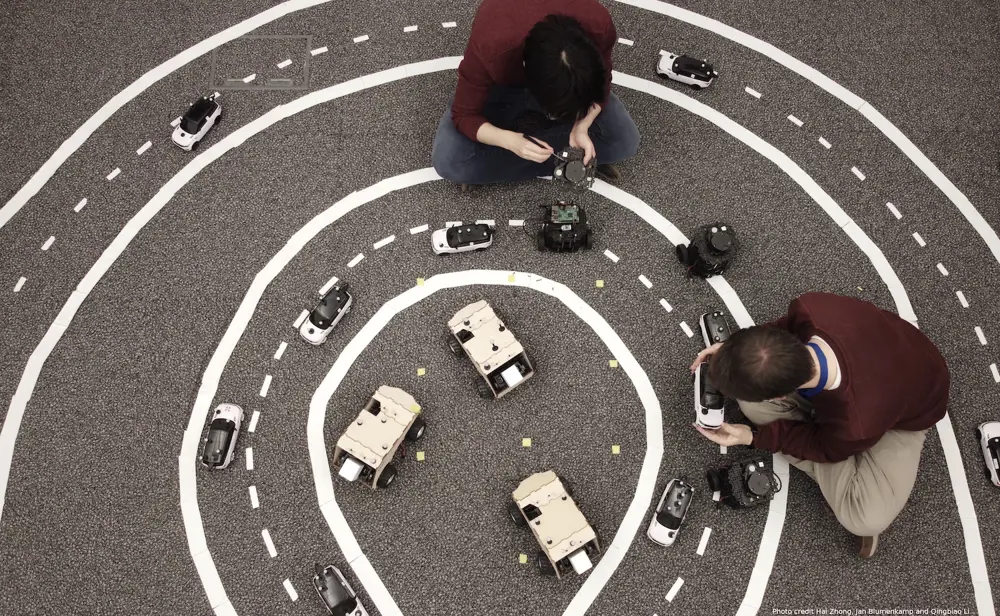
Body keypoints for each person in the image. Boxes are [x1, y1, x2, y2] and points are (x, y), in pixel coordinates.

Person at [690, 292, 949, 559]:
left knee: (864, 516)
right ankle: (837, 467)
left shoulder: (856, 424)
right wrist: (735, 352)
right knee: (752, 405)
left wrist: (752, 437)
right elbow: (773, 337)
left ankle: (849, 480)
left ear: (780, 395)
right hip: (896, 356)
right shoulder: (810, 308)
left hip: (906, 413)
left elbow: (824, 448)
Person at [431, 0, 640, 189]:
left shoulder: (599, 25)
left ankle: (493, 166)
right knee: (450, 160)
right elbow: (464, 115)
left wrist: (582, 125)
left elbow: (601, 88)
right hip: (503, 88)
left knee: (625, 141)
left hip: (564, 88)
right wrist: (511, 141)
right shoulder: (491, 44)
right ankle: (568, 157)